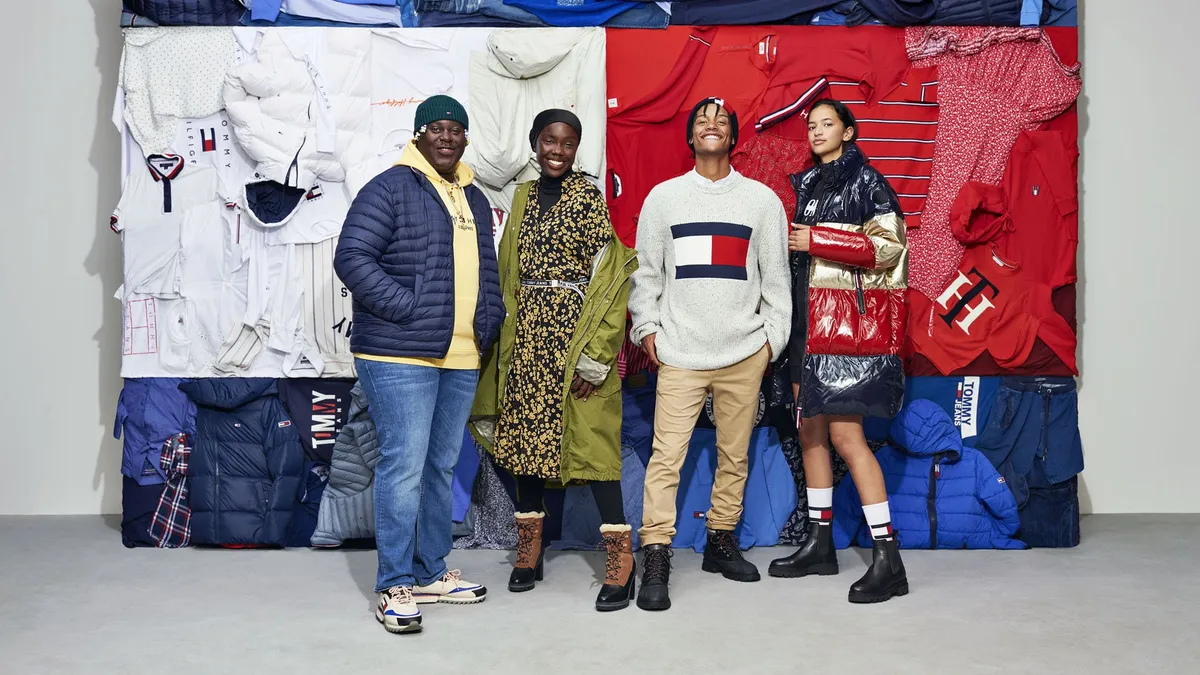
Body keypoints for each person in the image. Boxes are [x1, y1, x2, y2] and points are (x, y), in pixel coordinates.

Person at [333, 95, 506, 634]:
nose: (448, 137)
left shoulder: (473, 196)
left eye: (457, 129)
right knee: (404, 466)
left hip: (459, 354)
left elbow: (486, 268)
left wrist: (489, 318)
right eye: (438, 128)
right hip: (398, 352)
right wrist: (407, 309)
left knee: (439, 466)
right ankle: (394, 584)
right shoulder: (389, 187)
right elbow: (351, 258)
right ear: (419, 133)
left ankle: (431, 571)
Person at [469, 109, 640, 612]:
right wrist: (495, 341)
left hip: (573, 337)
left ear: (577, 148)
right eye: (550, 141)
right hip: (525, 340)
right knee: (525, 447)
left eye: (568, 143)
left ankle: (619, 561)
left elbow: (612, 279)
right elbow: (505, 273)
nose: (558, 151)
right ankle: (529, 551)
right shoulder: (521, 197)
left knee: (595, 450)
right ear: (535, 143)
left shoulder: (587, 196)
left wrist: (597, 357)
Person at [627, 97, 791, 611]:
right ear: (691, 138)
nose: (712, 125)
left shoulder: (762, 201)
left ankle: (721, 541)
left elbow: (776, 282)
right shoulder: (664, 199)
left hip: (744, 352)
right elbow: (646, 274)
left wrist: (771, 344)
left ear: (734, 136)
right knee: (665, 459)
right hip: (679, 352)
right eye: (702, 121)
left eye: (721, 120)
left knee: (734, 457)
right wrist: (647, 330)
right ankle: (655, 553)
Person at [767, 98, 911, 604]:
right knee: (810, 433)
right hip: (806, 325)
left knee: (849, 437)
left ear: (848, 132)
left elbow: (889, 248)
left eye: (827, 123)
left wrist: (818, 239)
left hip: (845, 328)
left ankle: (888, 560)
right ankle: (820, 544)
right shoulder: (807, 185)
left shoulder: (866, 180)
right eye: (811, 124)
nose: (816, 131)